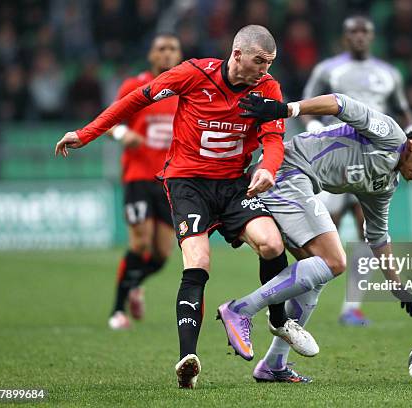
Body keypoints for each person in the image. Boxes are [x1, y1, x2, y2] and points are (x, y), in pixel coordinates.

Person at [54, 25, 317, 389]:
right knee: (198, 260)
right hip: (187, 183)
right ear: (237, 54)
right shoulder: (194, 74)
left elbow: (274, 139)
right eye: (259, 61)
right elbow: (135, 100)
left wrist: (268, 170)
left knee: (272, 244)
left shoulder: (267, 88)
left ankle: (277, 319)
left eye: (270, 63)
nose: (264, 69)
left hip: (234, 184)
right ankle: (187, 359)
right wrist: (86, 134)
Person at [225, 92, 412, 383]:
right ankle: (241, 310)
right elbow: (340, 103)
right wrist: (286, 109)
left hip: (298, 182)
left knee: (317, 276)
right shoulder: (391, 135)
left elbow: (378, 235)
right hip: (286, 169)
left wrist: (397, 285)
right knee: (334, 261)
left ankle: (274, 364)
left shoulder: (386, 183)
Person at [301, 15, 412, 325]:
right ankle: (307, 294)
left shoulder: (389, 73)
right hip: (335, 157)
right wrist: (312, 127)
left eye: (365, 31)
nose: (360, 37)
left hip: (375, 160)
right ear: (344, 37)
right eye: (353, 31)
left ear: (373, 37)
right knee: (327, 230)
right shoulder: (327, 69)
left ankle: (351, 307)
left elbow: (403, 111)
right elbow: (309, 101)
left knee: (368, 231)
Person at [106, 34, 182, 331]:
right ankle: (117, 310)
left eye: (172, 49)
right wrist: (124, 135)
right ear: (151, 55)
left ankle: (136, 284)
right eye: (161, 48)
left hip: (169, 180)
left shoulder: (184, 89)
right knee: (139, 244)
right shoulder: (133, 86)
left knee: (162, 254)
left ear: (180, 55)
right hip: (138, 177)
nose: (166, 54)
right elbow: (111, 120)